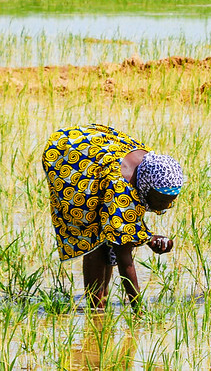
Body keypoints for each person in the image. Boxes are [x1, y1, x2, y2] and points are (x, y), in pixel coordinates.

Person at [43, 124, 183, 310]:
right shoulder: (121, 187)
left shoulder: (152, 169)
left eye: (170, 200)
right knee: (95, 240)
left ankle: (101, 301)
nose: (165, 206)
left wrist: (148, 238)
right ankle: (96, 309)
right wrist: (138, 310)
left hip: (96, 154)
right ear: (147, 186)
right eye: (161, 200)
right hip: (68, 156)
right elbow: (123, 254)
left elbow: (127, 221)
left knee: (110, 235)